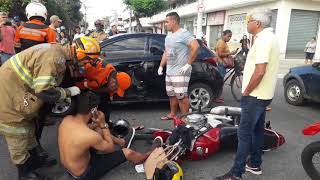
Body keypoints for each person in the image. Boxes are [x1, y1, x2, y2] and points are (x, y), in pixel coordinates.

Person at [0, 41, 84, 179]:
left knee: (28, 127)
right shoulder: (53, 58)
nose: (82, 66)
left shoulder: (57, 52)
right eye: (85, 61)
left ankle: (34, 160)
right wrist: (67, 92)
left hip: (17, 89)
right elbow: (45, 91)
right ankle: (24, 173)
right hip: (8, 96)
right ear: (79, 54)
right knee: (17, 132)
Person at [215, 8, 279, 180]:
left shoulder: (264, 39)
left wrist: (247, 91)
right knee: (257, 130)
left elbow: (260, 71)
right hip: (263, 95)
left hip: (255, 95)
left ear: (257, 23)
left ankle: (236, 174)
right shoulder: (268, 37)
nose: (247, 23)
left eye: (248, 20)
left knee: (244, 134)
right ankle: (255, 163)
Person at [58, 91, 159, 180]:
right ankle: (147, 154)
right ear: (93, 110)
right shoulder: (89, 136)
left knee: (97, 130)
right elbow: (110, 149)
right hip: (84, 174)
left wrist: (98, 125)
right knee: (127, 153)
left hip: (70, 168)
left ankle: (121, 142)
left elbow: (85, 127)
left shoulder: (67, 120)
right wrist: (103, 124)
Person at [158, 12, 199, 120]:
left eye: (167, 22)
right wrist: (161, 66)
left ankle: (185, 119)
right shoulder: (169, 36)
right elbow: (166, 52)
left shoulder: (184, 33)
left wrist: (188, 65)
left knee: (181, 96)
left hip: (180, 71)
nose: (165, 24)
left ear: (174, 21)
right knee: (171, 95)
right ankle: (172, 114)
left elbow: (196, 47)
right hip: (170, 71)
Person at [214, 29, 237, 103]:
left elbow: (216, 51)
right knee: (220, 81)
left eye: (230, 37)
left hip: (221, 63)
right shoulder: (221, 43)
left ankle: (217, 96)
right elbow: (220, 54)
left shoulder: (223, 42)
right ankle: (216, 97)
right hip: (221, 63)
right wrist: (230, 53)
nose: (229, 38)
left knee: (221, 81)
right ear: (224, 35)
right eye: (228, 36)